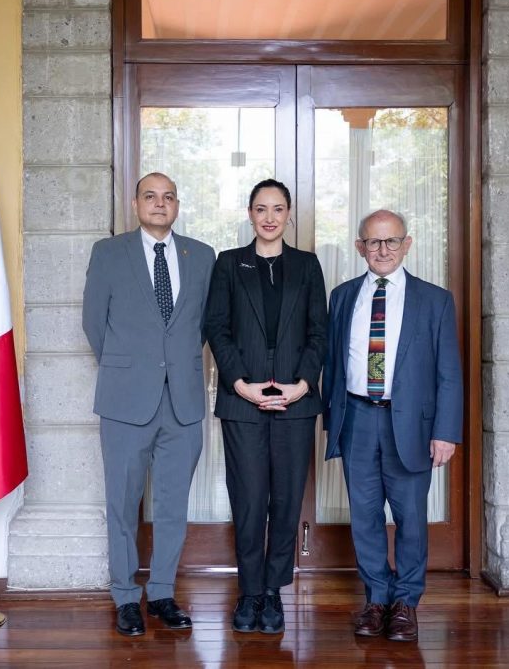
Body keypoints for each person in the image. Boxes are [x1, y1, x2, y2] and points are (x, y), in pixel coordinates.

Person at [82, 172, 216, 636]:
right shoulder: (109, 253)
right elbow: (93, 323)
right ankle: (124, 596)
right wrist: (130, 367)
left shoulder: (201, 256)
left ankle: (161, 592)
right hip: (125, 401)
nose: (160, 204)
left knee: (173, 504)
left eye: (169, 197)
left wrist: (170, 365)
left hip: (182, 402)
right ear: (136, 203)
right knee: (122, 502)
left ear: (177, 205)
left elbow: (201, 326)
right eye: (151, 196)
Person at [322, 209, 463, 642]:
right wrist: (333, 420)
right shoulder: (344, 296)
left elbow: (448, 373)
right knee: (364, 517)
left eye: (391, 241)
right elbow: (332, 359)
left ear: (407, 244)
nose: (382, 250)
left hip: (412, 427)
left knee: (410, 520)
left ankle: (406, 603)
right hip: (358, 419)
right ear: (359, 246)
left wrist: (446, 431)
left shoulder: (434, 300)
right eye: (373, 242)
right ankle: (377, 599)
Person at [204, 179, 327, 634]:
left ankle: (274, 591)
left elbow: (320, 331)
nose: (270, 217)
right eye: (261, 208)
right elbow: (217, 327)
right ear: (250, 213)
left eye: (278, 208)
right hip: (243, 402)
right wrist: (239, 383)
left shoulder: (308, 265)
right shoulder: (228, 264)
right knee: (250, 500)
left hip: (296, 401)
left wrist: (302, 384)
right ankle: (249, 591)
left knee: (286, 500)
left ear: (289, 214)